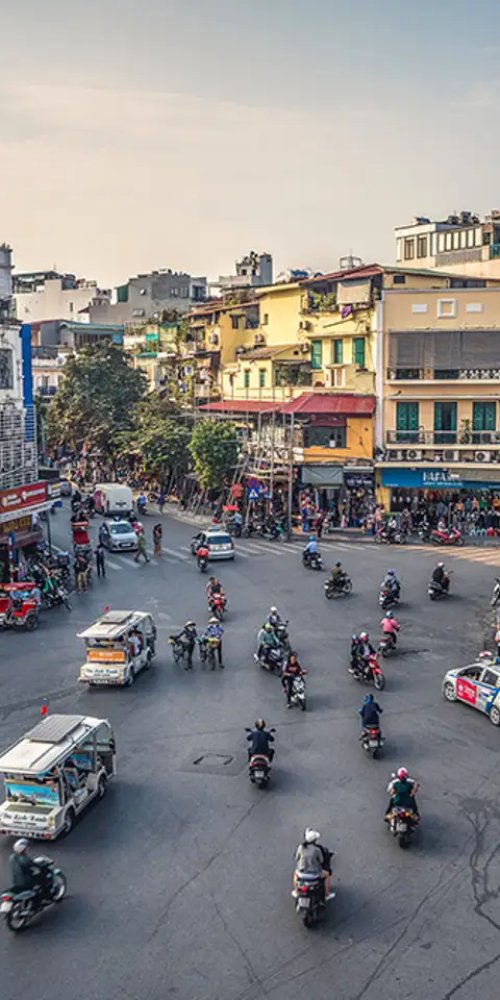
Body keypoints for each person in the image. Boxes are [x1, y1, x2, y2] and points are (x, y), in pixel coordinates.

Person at [293, 828, 334, 901]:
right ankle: (327, 894)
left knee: (295, 874)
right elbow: (321, 860)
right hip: (314, 875)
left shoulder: (301, 847)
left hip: (301, 874)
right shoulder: (316, 850)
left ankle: (296, 891)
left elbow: (297, 858)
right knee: (327, 875)